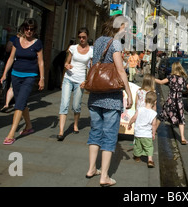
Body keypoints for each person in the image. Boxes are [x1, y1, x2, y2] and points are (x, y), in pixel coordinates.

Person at [85, 15, 133, 187]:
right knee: (109, 135)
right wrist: (129, 92)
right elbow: (120, 71)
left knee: (95, 131)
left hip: (95, 94)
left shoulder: (98, 41)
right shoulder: (115, 43)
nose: (126, 31)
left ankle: (91, 168)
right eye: (124, 28)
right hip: (111, 97)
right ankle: (104, 176)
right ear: (117, 27)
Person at [0, 18, 44, 145]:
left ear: (35, 30)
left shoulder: (37, 43)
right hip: (15, 75)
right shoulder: (17, 42)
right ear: (23, 28)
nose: (29, 31)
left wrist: (42, 78)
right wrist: (4, 74)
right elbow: (11, 58)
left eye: (32, 29)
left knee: (19, 104)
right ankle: (29, 126)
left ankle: (11, 133)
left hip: (29, 76)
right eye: (27, 28)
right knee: (22, 102)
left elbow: (40, 62)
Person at [57, 27, 93, 141]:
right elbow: (66, 62)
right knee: (64, 103)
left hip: (80, 81)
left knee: (76, 105)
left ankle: (75, 124)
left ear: (87, 37)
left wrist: (87, 81)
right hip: (68, 78)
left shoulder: (91, 51)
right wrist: (67, 65)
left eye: (84, 37)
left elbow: (92, 68)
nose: (81, 39)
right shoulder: (73, 48)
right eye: (80, 37)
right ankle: (61, 131)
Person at [155, 61, 188, 145]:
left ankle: (153, 131)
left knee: (162, 115)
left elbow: (161, 82)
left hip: (170, 100)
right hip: (179, 101)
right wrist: (183, 91)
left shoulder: (171, 77)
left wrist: (152, 78)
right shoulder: (183, 79)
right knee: (181, 118)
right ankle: (182, 138)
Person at [128, 91, 158, 168]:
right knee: (149, 147)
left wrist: (130, 123)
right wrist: (153, 133)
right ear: (155, 102)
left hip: (138, 133)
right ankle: (150, 160)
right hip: (147, 134)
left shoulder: (140, 109)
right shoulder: (153, 113)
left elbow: (134, 118)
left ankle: (137, 157)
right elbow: (154, 125)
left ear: (145, 100)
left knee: (138, 146)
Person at [0, 33, 19, 112]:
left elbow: (8, 48)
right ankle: (9, 103)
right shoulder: (15, 39)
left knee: (11, 85)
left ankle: (8, 103)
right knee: (13, 85)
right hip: (15, 66)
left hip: (17, 67)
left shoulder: (14, 39)